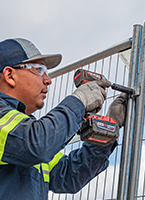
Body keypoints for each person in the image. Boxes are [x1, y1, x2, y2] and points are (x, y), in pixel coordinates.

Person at [0, 38, 127, 200]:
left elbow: (70, 176)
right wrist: (79, 101)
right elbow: (37, 143)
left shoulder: (24, 130)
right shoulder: (29, 136)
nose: (48, 79)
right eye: (39, 70)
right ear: (10, 75)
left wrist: (109, 128)